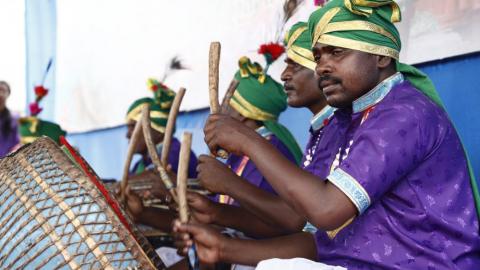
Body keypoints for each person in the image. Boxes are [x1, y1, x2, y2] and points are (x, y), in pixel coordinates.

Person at [177, 1, 480, 268]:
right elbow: (321, 242)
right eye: (318, 56)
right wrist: (223, 247)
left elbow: (324, 211)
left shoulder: (404, 114)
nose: (322, 66)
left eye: (336, 52)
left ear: (381, 57)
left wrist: (247, 141)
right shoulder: (353, 119)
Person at [171, 22, 339, 267]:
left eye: (296, 64)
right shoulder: (321, 131)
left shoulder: (274, 147)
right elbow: (302, 226)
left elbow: (291, 221)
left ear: (243, 114)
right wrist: (216, 213)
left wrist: (230, 184)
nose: (284, 74)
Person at [0, 81, 19, 157]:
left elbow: (17, 143)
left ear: (8, 94)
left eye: (3, 91)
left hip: (7, 163)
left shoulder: (14, 118)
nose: (1, 94)